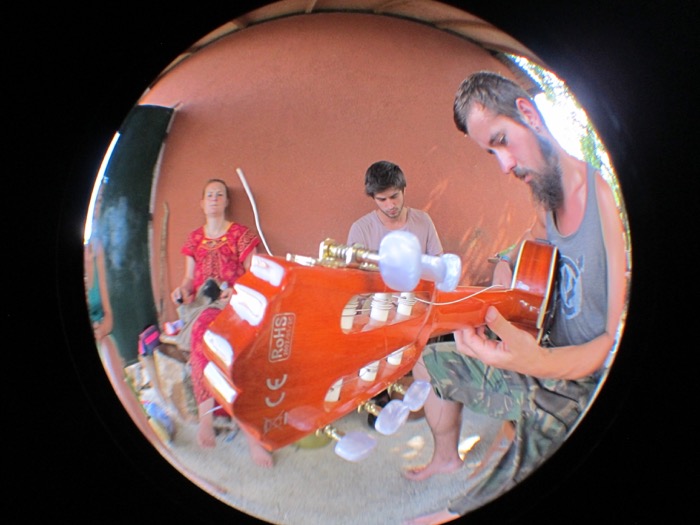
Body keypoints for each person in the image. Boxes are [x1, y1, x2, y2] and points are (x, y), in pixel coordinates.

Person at [402, 71, 627, 524]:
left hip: (580, 381)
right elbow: (531, 244)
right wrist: (505, 267)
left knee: (538, 438)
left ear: (529, 114)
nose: (504, 165)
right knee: (429, 359)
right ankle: (446, 457)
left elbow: (609, 345)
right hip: (535, 354)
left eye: (502, 141)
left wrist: (534, 361)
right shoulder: (545, 198)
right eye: (491, 152)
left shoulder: (601, 198)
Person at [170, 178, 273, 467]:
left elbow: (255, 273)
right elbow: (188, 279)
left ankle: (235, 428)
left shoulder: (240, 234)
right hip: (204, 306)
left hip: (235, 303)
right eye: (210, 195)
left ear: (227, 202)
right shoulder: (194, 239)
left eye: (220, 194)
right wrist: (182, 290)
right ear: (202, 203)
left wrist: (236, 289)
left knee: (231, 352)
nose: (214, 198)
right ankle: (213, 422)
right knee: (203, 337)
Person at [347, 160, 445, 426]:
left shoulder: (422, 220)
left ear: (403, 190)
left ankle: (423, 396)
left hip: (417, 305)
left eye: (395, 196)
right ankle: (379, 398)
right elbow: (354, 279)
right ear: (373, 198)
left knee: (426, 347)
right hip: (379, 309)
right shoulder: (361, 228)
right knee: (371, 334)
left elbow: (438, 263)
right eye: (382, 199)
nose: (390, 205)